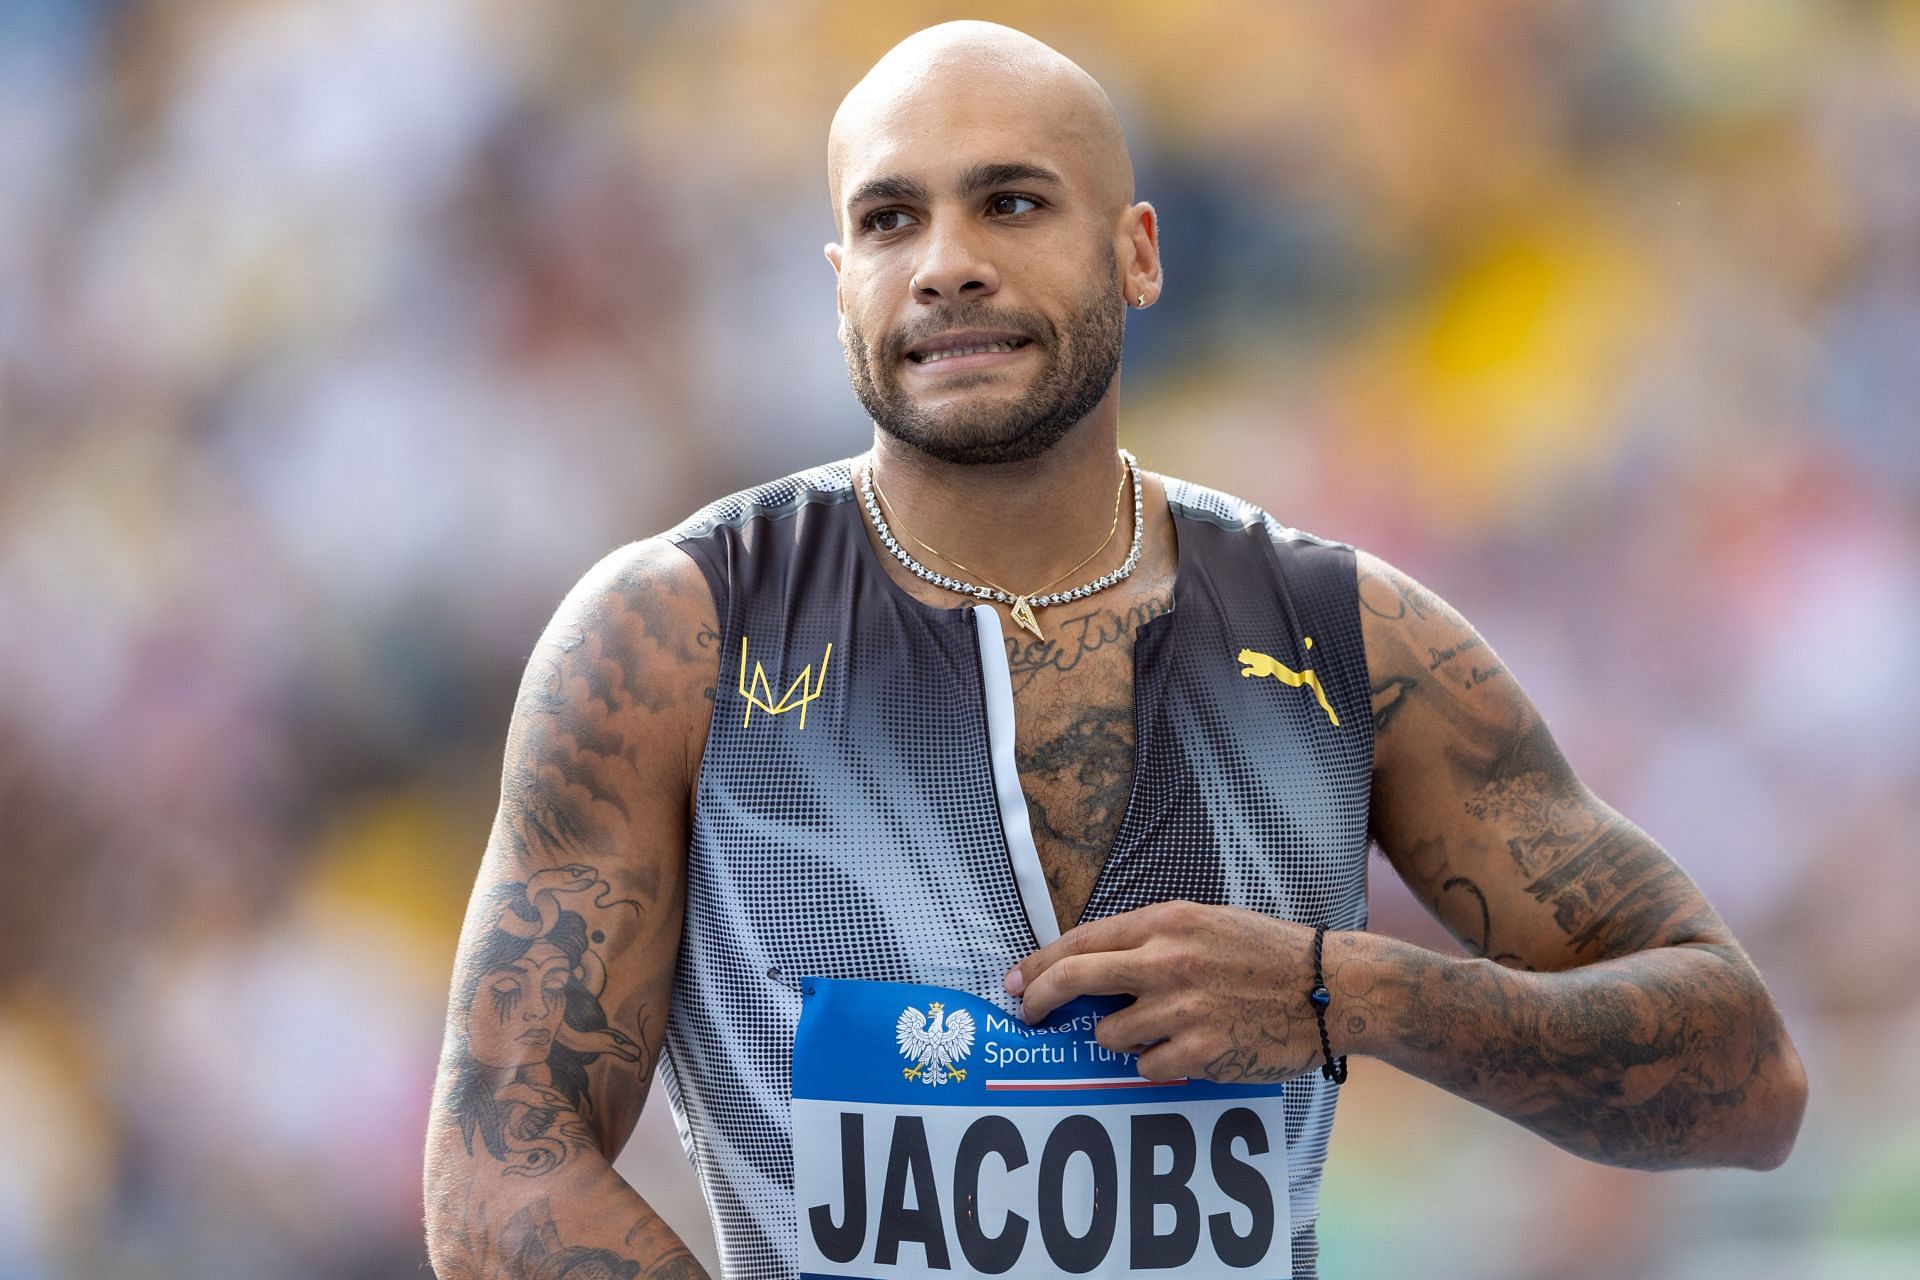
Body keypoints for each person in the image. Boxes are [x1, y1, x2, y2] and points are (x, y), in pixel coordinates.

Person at [424, 20, 1807, 1279]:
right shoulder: (676, 636)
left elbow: (1749, 1080)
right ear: (843, 284)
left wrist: (1346, 993)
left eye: (1011, 202)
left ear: (1138, 251)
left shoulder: (1348, 641)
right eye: (891, 219)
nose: (947, 260)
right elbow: (499, 1164)